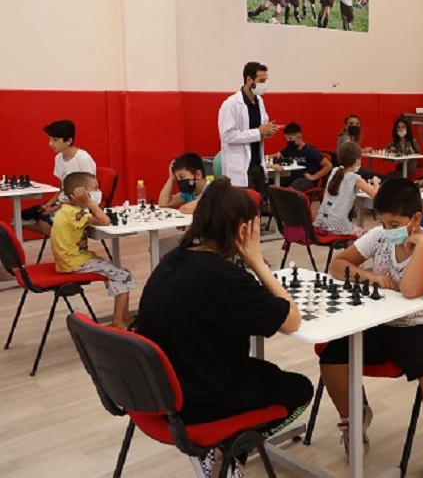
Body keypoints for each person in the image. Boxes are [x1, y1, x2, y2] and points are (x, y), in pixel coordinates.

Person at [136, 179, 312, 478]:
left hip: (156, 389)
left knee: (262, 371)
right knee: (298, 388)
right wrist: (257, 261)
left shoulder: (174, 258)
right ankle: (227, 451)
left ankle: (226, 455)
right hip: (197, 401)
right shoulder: (225, 277)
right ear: (244, 230)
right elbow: (292, 320)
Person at [322, 179, 423, 476]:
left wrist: (421, 245)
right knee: (331, 359)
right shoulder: (380, 236)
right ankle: (353, 421)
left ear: (416, 218)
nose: (387, 229)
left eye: (394, 223)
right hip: (379, 320)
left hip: (421, 324)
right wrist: (373, 279)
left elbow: (410, 290)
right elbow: (338, 264)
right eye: (383, 222)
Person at [51, 172, 136, 329]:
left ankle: (125, 317)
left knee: (118, 271)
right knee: (124, 275)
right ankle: (117, 322)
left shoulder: (68, 209)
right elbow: (104, 220)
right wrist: (89, 201)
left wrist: (87, 203)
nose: (98, 192)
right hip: (74, 262)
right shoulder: (74, 212)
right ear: (79, 193)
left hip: (71, 259)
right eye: (95, 188)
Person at [20, 120, 97, 237]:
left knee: (45, 224)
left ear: (69, 141)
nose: (50, 144)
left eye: (55, 140)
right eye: (50, 139)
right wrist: (48, 204)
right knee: (19, 219)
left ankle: (68, 241)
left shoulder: (83, 159)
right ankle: (65, 237)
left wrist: (54, 209)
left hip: (80, 204)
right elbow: (61, 188)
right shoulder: (59, 158)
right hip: (62, 202)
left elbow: (84, 196)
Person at [218, 62, 280, 193]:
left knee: (258, 203)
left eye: (266, 80)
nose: (264, 84)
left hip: (258, 165)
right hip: (240, 168)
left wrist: (268, 131)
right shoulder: (231, 104)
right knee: (243, 204)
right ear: (249, 80)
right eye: (261, 81)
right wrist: (258, 132)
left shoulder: (259, 102)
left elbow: (262, 127)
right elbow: (227, 135)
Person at [314, 142, 379, 237]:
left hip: (322, 224)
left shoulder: (335, 171)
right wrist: (376, 182)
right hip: (339, 227)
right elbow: (375, 195)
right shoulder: (355, 178)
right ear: (357, 161)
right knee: (369, 237)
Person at [157, 153, 211, 260]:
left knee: (167, 250)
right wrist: (171, 179)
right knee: (158, 247)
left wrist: (183, 208)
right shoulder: (190, 192)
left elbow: (185, 209)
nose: (180, 182)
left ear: (198, 174)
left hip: (210, 241)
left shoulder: (212, 190)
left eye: (182, 177)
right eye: (178, 179)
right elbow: (164, 203)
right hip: (195, 237)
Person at [273, 122, 332, 192]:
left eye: (290, 139)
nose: (288, 141)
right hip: (293, 177)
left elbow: (328, 165)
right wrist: (263, 157)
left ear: (299, 137)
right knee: (271, 181)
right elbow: (277, 155)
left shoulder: (310, 151)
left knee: (292, 188)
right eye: (287, 139)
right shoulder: (290, 148)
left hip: (306, 179)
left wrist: (313, 177)